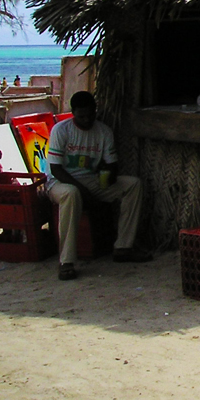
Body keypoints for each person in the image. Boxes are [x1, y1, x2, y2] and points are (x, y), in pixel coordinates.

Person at [46, 91, 150, 280]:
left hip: (91, 180)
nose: (86, 120)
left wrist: (109, 174)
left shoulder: (103, 132)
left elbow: (112, 164)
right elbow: (56, 169)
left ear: (95, 111)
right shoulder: (61, 130)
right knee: (71, 193)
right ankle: (66, 261)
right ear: (73, 113)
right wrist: (83, 190)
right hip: (60, 182)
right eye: (81, 116)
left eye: (90, 115)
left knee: (133, 185)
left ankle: (123, 247)